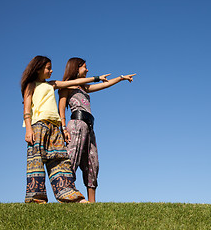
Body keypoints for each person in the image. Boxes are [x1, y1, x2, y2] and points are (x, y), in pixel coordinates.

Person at [21, 55, 110, 203]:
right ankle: (36, 199)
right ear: (38, 69)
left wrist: (96, 78)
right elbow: (26, 110)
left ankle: (70, 196)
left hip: (55, 129)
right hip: (38, 127)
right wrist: (28, 129)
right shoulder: (31, 85)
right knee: (36, 162)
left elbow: (76, 82)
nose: (51, 71)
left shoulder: (52, 84)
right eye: (48, 68)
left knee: (60, 161)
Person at [58, 57, 135, 203]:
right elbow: (61, 109)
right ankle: (67, 197)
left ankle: (92, 204)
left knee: (92, 163)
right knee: (72, 159)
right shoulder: (66, 87)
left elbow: (104, 86)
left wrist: (121, 78)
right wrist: (63, 129)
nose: (87, 70)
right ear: (76, 68)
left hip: (89, 127)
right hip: (76, 125)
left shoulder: (84, 88)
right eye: (84, 67)